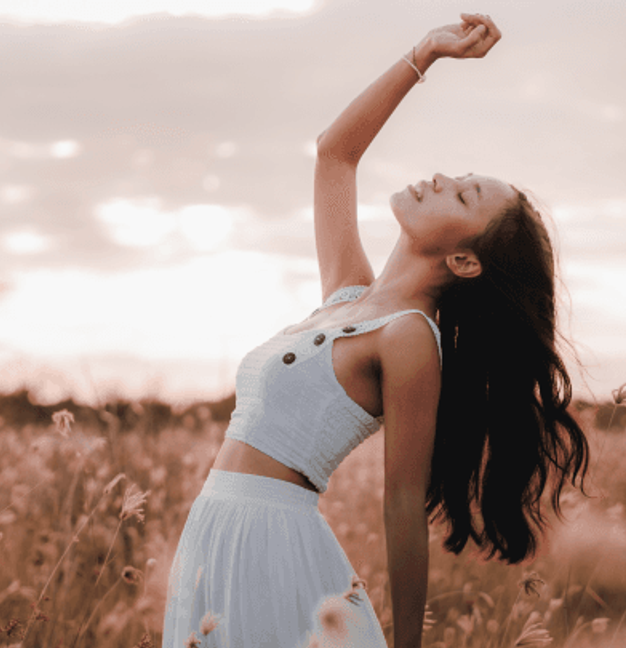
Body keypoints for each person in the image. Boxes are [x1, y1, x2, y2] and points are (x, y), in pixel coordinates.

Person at [162, 13, 590, 648]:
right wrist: (426, 54)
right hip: (215, 529)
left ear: (465, 263)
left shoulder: (410, 337)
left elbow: (401, 506)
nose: (443, 178)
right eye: (461, 175)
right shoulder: (349, 296)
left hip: (275, 545)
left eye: (465, 196)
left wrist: (409, 644)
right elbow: (335, 151)